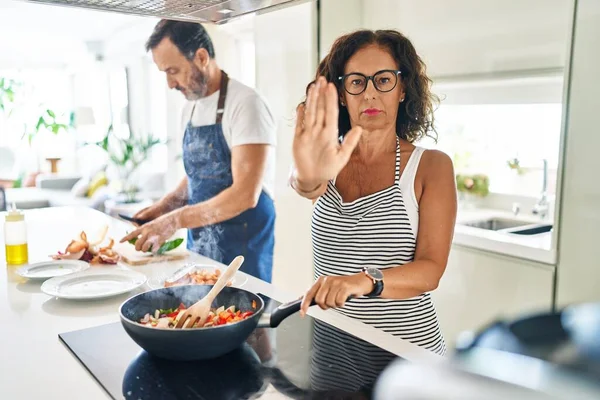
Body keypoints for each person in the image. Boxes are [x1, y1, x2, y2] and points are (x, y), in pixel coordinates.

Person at [291, 29, 457, 355]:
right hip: (332, 345)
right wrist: (307, 175)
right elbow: (305, 183)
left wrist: (362, 281)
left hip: (404, 352)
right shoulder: (326, 156)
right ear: (341, 94)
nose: (369, 94)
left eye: (383, 80)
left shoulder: (431, 166)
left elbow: (431, 269)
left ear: (402, 89)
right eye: (356, 82)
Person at [120, 20, 277, 283]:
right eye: (164, 73)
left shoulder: (246, 104)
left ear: (201, 57)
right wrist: (163, 208)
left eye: (173, 70)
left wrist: (173, 221)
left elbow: (245, 195)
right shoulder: (190, 107)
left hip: (243, 246)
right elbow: (200, 175)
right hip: (201, 243)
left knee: (239, 318)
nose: (170, 83)